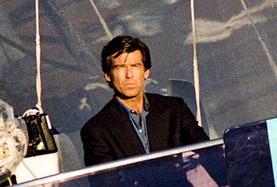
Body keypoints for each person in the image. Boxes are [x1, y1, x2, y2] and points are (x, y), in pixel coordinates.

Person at [80, 34, 206, 166]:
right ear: (108, 76)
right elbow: (106, 184)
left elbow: (208, 152)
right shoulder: (96, 129)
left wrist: (225, 182)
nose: (129, 75)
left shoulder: (174, 109)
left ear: (146, 72)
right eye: (120, 67)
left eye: (135, 66)